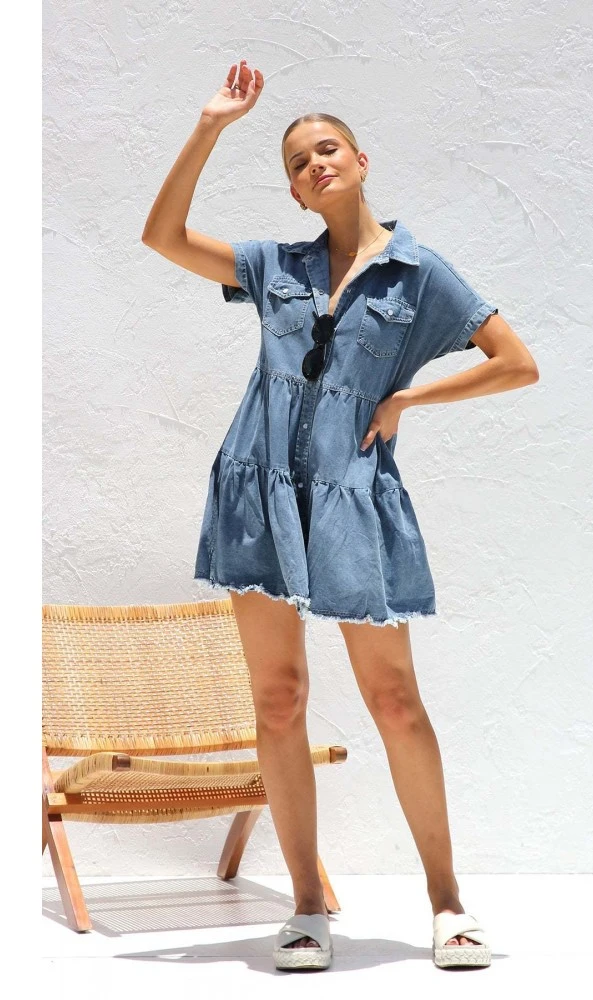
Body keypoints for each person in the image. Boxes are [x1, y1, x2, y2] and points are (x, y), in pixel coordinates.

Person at [142, 59, 539, 972]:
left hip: (354, 497)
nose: (314, 163)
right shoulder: (273, 267)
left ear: (360, 162)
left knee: (394, 700)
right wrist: (210, 126)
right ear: (293, 189)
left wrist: (408, 401)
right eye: (297, 161)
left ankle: (448, 903)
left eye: (327, 149)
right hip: (257, 490)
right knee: (278, 699)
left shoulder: (418, 273)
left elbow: (516, 361)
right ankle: (307, 907)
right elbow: (162, 235)